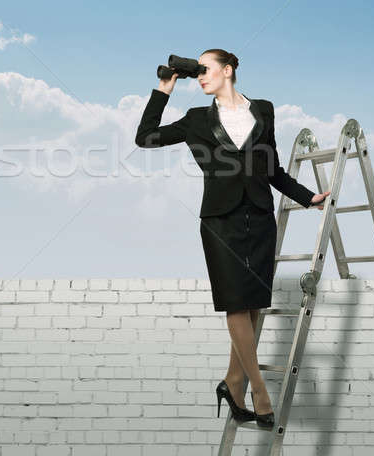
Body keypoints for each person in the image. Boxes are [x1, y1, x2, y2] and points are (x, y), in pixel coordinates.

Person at [135, 49, 330, 428]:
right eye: (198, 72)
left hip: (259, 217)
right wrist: (164, 90)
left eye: (205, 69)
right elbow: (145, 138)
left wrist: (307, 197)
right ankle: (259, 389)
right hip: (220, 221)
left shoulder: (264, 110)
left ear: (227, 70)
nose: (200, 77)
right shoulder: (195, 120)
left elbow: (272, 167)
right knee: (236, 305)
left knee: (254, 303)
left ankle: (233, 382)